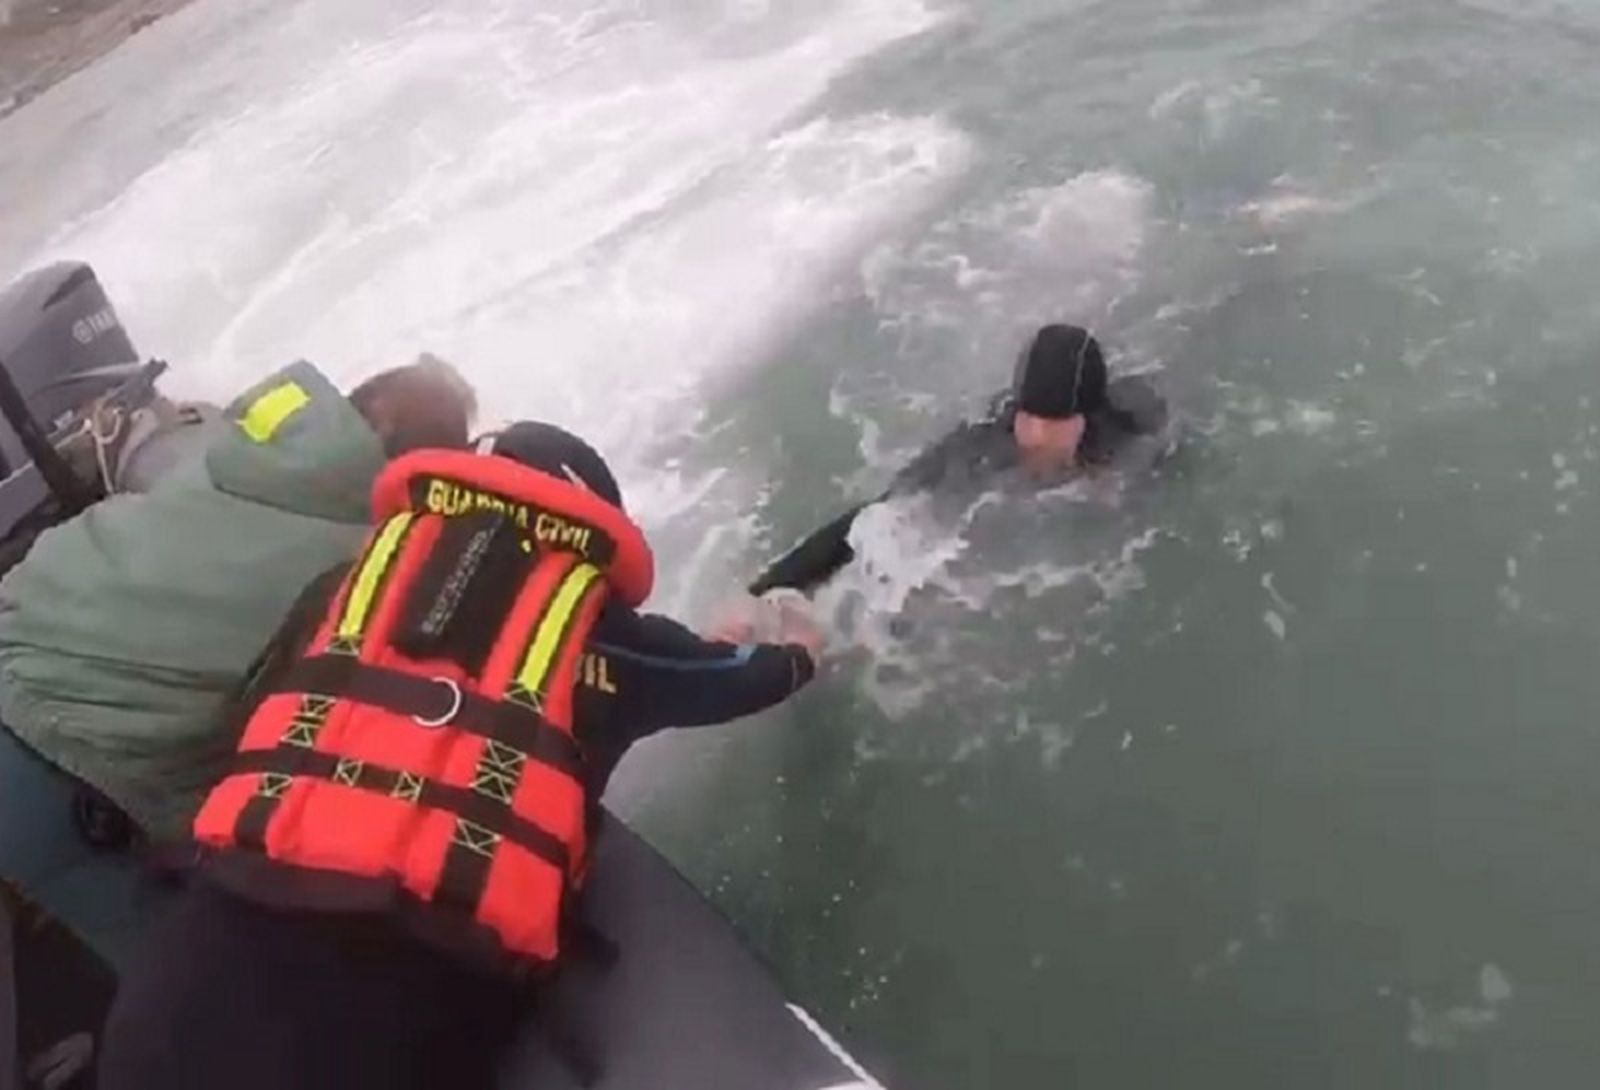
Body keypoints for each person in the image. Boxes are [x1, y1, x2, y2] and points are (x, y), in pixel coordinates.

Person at [97, 422, 821, 1090]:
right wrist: (798, 646)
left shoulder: (346, 592)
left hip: (164, 1009)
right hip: (370, 1028)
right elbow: (749, 678)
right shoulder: (604, 633)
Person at [0, 354, 476, 966]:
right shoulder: (363, 564)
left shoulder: (233, 451)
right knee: (202, 989)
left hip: (17, 641)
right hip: (63, 772)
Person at [747, 324, 1168, 597]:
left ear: (1086, 418)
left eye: (1054, 422)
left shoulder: (1131, 430)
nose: (1036, 435)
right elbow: (871, 517)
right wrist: (769, 590)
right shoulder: (983, 443)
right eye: (1028, 418)